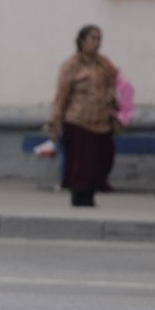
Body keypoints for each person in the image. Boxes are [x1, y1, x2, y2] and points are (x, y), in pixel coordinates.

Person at [46, 25, 118, 207]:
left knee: (103, 159)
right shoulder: (71, 65)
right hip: (78, 119)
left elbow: (112, 84)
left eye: (99, 39)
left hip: (101, 120)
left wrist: (112, 97)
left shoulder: (103, 64)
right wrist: (55, 123)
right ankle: (80, 197)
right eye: (93, 39)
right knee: (81, 163)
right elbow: (61, 96)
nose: (97, 43)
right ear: (82, 41)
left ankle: (91, 193)